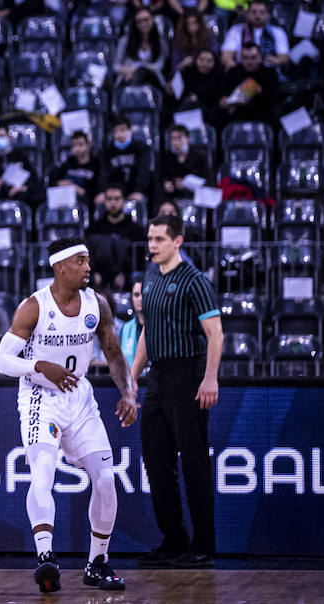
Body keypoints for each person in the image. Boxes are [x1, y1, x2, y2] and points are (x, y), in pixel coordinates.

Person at [0, 238, 138, 593]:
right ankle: (46, 557)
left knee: (105, 479)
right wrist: (39, 365)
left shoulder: (97, 304)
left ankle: (97, 563)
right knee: (43, 470)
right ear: (60, 267)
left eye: (88, 260)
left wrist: (129, 393)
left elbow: (114, 352)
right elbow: (2, 361)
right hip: (41, 398)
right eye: (80, 261)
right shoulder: (34, 307)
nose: (88, 267)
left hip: (80, 398)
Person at [131, 214, 223, 568]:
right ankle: (173, 540)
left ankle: (203, 545)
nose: (151, 245)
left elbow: (215, 333)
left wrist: (210, 378)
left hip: (188, 376)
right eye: (150, 239)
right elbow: (146, 333)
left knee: (195, 464)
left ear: (177, 241)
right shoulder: (151, 278)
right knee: (156, 464)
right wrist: (132, 379)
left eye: (158, 239)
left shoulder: (194, 280)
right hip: (158, 378)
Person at [87, 184, 145, 292]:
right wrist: (95, 272)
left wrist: (124, 274)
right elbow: (89, 253)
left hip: (127, 275)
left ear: (124, 201)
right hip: (99, 275)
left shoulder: (136, 229)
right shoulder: (95, 228)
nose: (113, 203)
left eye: (117, 199)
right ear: (105, 201)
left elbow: (139, 257)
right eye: (109, 199)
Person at [218, 41, 282, 124]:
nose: (249, 62)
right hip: (238, 113)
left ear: (260, 58)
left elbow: (276, 97)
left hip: (262, 113)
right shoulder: (233, 72)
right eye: (245, 58)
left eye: (253, 58)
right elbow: (224, 92)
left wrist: (260, 91)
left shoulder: (269, 73)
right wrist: (223, 101)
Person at [221, 0, 289, 70]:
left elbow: (284, 57)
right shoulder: (236, 30)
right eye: (254, 12)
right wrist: (232, 65)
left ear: (267, 15)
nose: (258, 15)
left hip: (268, 72)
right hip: (242, 71)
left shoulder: (278, 32)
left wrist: (275, 60)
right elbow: (226, 54)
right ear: (247, 14)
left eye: (262, 12)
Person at [113, 7, 171, 89]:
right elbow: (115, 66)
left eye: (146, 20)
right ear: (135, 24)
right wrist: (129, 70)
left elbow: (160, 64)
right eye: (139, 21)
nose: (143, 24)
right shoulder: (125, 41)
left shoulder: (160, 42)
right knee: (138, 75)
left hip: (152, 78)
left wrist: (141, 68)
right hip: (128, 78)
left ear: (153, 20)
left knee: (143, 73)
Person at [99, 117, 152, 206]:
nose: (119, 135)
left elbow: (143, 172)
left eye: (122, 130)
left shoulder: (141, 148)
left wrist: (139, 190)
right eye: (116, 131)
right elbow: (104, 174)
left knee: (139, 200)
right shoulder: (107, 151)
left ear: (130, 130)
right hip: (113, 192)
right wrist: (103, 191)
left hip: (135, 189)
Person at [0, 126, 36, 205]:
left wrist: (23, 187)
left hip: (19, 194)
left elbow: (34, 180)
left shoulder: (21, 156)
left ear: (9, 137)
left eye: (1, 136)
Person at [159, 125, 212, 200]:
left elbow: (208, 182)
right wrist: (166, 183)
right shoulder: (166, 158)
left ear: (188, 139)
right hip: (172, 197)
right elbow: (162, 177)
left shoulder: (200, 158)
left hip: (194, 197)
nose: (176, 142)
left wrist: (187, 184)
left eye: (179, 138)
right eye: (173, 139)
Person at [49, 130, 101, 206]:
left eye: (80, 145)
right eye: (74, 145)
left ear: (88, 145)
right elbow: (52, 180)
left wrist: (79, 190)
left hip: (83, 199)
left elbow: (97, 190)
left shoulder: (96, 165)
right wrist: (59, 183)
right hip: (63, 196)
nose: (77, 149)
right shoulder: (67, 163)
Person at [121, 276, 145, 371]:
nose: (140, 299)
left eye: (143, 294)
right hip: (131, 381)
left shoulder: (160, 325)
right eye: (136, 295)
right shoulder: (126, 328)